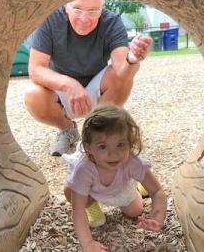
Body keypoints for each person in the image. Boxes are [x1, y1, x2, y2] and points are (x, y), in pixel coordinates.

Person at [25, 0, 152, 156]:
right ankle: (67, 129)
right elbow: (35, 69)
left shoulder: (111, 22)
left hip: (96, 89)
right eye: (77, 9)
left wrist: (132, 59)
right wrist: (70, 84)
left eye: (93, 11)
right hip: (61, 92)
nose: (84, 19)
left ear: (101, 10)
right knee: (33, 95)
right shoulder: (50, 19)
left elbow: (123, 71)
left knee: (122, 79)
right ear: (66, 5)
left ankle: (96, 131)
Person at [62, 104, 167, 252]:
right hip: (92, 189)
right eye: (103, 146)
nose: (113, 154)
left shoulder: (132, 163)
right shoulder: (84, 169)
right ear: (88, 148)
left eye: (120, 144)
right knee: (69, 191)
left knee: (135, 211)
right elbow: (77, 210)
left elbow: (157, 192)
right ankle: (92, 206)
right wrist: (88, 244)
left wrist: (157, 216)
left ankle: (138, 185)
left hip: (120, 188)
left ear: (130, 143)